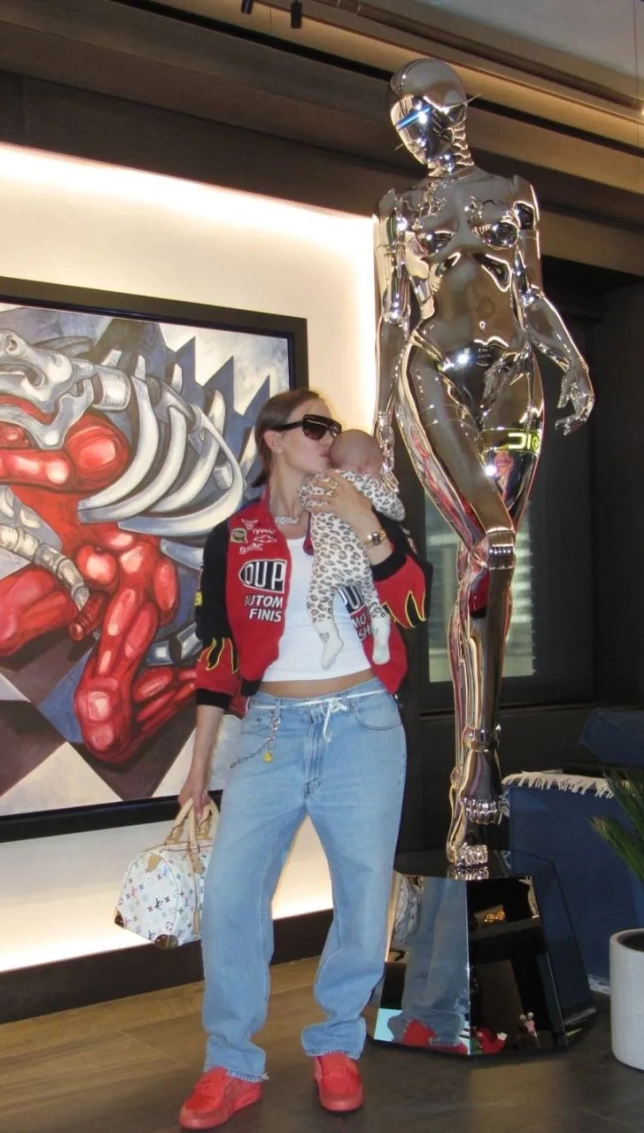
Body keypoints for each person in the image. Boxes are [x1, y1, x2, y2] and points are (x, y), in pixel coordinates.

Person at [176, 389, 429, 1130]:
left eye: (331, 426)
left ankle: (338, 1042)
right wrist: (199, 765)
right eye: (315, 427)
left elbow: (414, 606)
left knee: (363, 892)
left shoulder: (360, 513)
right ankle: (230, 1061)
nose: (329, 437)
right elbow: (217, 656)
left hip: (363, 722)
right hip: (271, 731)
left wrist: (362, 519)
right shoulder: (234, 537)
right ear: (274, 439)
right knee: (231, 894)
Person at [374, 58, 594, 869]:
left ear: (452, 107)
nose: (412, 133)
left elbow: (531, 297)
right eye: (401, 122)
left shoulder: (515, 193)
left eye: (419, 115)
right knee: (494, 545)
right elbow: (394, 312)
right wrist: (382, 408)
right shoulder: (399, 208)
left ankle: (478, 767)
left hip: (514, 375)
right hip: (433, 369)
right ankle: (478, 759)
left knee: (491, 560)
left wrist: (573, 365)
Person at [299, 429, 405, 669]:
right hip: (361, 562)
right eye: (378, 468)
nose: (378, 474)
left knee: (316, 601)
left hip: (327, 566)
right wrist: (382, 497)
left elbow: (303, 499)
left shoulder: (318, 483)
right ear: (365, 466)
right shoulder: (366, 483)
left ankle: (330, 639)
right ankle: (381, 638)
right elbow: (396, 510)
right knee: (375, 601)